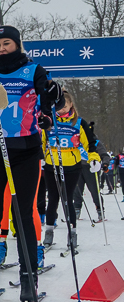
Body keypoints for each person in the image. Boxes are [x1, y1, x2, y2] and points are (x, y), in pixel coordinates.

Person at [0, 26, 62, 302]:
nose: (1, 49)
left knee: (24, 213)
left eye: (7, 43)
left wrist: (49, 109)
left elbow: (48, 101)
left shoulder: (33, 69)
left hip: (25, 149)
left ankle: (28, 276)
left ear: (17, 44)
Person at [40, 90, 92, 253]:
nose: (61, 109)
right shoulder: (48, 121)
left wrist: (94, 158)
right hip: (51, 164)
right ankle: (48, 234)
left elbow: (90, 142)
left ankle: (72, 235)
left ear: (71, 104)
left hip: (71, 165)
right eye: (58, 105)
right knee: (53, 198)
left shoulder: (79, 122)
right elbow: (42, 140)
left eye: (64, 105)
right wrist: (40, 157)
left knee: (67, 198)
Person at [72, 118, 103, 221]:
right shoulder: (75, 140)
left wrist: (105, 163)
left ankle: (100, 211)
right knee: (77, 191)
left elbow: (104, 154)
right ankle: (76, 211)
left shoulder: (95, 141)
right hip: (78, 166)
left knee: (94, 190)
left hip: (90, 168)